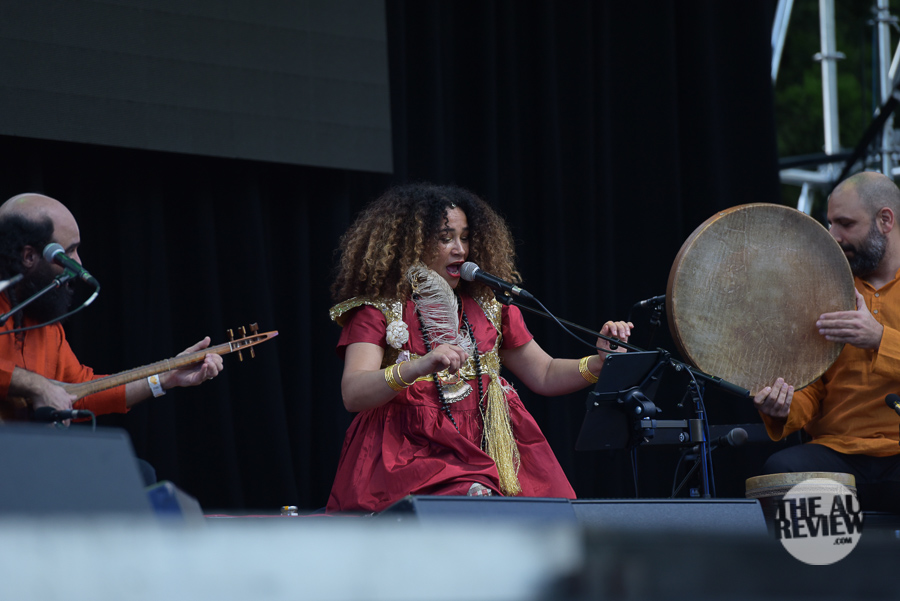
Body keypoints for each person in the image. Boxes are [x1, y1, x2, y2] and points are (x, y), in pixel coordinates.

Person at [326, 183, 632, 513]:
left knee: (548, 522)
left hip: (490, 449)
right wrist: (418, 366)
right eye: (445, 238)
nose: (460, 249)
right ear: (410, 244)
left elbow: (544, 373)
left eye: (466, 237)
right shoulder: (379, 311)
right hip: (407, 455)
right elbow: (353, 393)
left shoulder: (491, 308)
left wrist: (599, 364)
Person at [0, 193, 224, 423]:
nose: (78, 263)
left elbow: (80, 391)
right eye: (68, 252)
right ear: (29, 256)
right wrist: (37, 385)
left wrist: (165, 378)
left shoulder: (46, 325)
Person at [754, 171, 900, 511]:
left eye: (845, 224)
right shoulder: (821, 288)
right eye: (830, 223)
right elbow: (811, 385)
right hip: (839, 452)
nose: (833, 236)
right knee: (781, 472)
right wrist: (783, 407)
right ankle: (826, 550)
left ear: (885, 220)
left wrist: (879, 338)